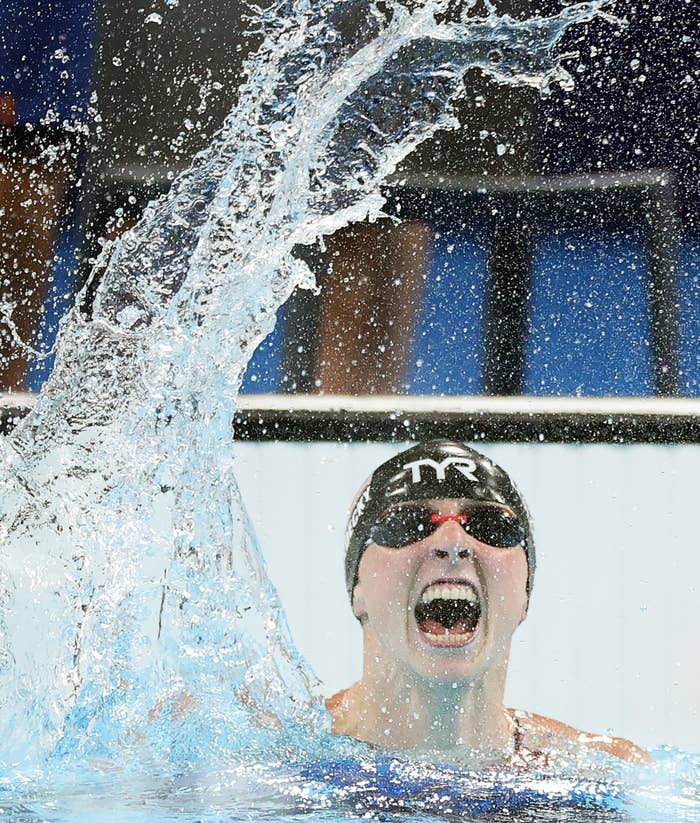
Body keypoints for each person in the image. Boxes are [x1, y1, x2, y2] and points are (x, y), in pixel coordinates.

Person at [326, 439, 651, 768]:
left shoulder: (602, 769)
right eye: (408, 524)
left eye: (492, 526)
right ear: (358, 589)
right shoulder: (283, 753)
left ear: (524, 593)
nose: (453, 542)